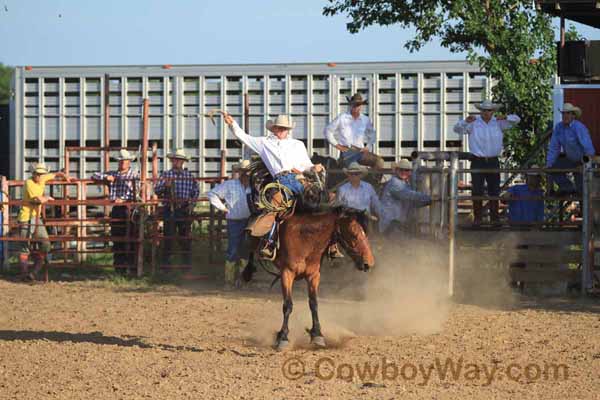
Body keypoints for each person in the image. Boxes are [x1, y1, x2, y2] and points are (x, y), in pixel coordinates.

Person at [223, 112, 325, 259]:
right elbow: (244, 137)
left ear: (288, 129)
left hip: (299, 178)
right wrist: (232, 124)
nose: (282, 131)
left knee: (320, 202)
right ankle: (269, 242)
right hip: (281, 181)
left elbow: (306, 165)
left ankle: (327, 243)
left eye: (285, 128)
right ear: (274, 128)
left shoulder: (297, 144)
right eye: (280, 128)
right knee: (274, 209)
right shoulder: (264, 143)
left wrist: (313, 168)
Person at [453, 100, 521, 224]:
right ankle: (478, 218)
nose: (486, 113)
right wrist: (465, 121)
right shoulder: (474, 123)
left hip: (493, 160)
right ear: (481, 111)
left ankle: (494, 218)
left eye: (489, 110)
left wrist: (505, 116)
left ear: (493, 111)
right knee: (477, 190)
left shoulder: (499, 122)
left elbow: (517, 120)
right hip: (478, 160)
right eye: (484, 110)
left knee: (494, 190)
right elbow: (456, 129)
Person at [17, 163, 72, 281]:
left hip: (36, 217)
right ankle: (25, 274)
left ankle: (33, 272)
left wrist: (63, 175)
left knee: (46, 244)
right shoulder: (29, 183)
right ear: (34, 174)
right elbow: (37, 199)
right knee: (24, 247)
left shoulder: (42, 178)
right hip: (26, 217)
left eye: (42, 174)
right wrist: (47, 197)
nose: (40, 176)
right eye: (38, 174)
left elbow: (54, 175)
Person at [91, 149, 139, 274]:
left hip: (130, 209)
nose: (122, 163)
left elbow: (138, 190)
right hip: (118, 210)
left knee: (132, 238)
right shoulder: (114, 174)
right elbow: (94, 175)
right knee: (118, 239)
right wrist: (106, 177)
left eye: (124, 161)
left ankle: (132, 268)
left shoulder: (134, 174)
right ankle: (120, 269)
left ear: (129, 162)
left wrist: (123, 199)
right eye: (120, 161)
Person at [208, 160, 252, 289]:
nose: (246, 174)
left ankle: (242, 281)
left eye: (248, 172)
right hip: (234, 221)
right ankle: (229, 281)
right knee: (233, 250)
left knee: (245, 251)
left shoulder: (253, 187)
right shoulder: (230, 184)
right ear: (240, 173)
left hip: (249, 221)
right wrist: (222, 208)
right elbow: (212, 194)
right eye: (244, 172)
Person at [154, 149, 199, 267]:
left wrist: (192, 205)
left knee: (185, 237)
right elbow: (157, 190)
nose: (176, 162)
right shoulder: (165, 175)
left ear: (183, 161)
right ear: (171, 161)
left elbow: (196, 192)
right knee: (168, 237)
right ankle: (167, 265)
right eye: (174, 160)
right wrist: (165, 186)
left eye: (179, 160)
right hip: (169, 208)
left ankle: (186, 265)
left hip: (184, 209)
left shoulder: (189, 176)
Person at [324, 93, 384, 170]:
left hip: (361, 152)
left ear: (361, 106)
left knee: (379, 162)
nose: (356, 107)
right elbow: (328, 131)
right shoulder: (342, 118)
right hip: (347, 152)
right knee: (355, 169)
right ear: (350, 105)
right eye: (354, 105)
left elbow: (373, 134)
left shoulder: (365, 119)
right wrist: (337, 145)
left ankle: (373, 181)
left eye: (358, 105)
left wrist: (368, 146)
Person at [546, 102, 595, 195]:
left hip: (582, 160)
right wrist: (549, 164)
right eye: (563, 113)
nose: (565, 115)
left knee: (583, 191)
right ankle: (568, 188)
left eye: (568, 113)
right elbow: (554, 147)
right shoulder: (558, 127)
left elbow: (588, 148)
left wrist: (585, 164)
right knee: (553, 168)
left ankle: (580, 200)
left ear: (573, 115)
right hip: (570, 159)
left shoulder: (579, 127)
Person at [379, 159, 431, 237]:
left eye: (406, 170)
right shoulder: (394, 183)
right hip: (390, 225)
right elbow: (408, 195)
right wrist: (428, 197)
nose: (404, 172)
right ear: (396, 170)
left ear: (410, 172)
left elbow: (411, 203)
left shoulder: (405, 185)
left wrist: (428, 201)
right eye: (401, 170)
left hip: (397, 225)